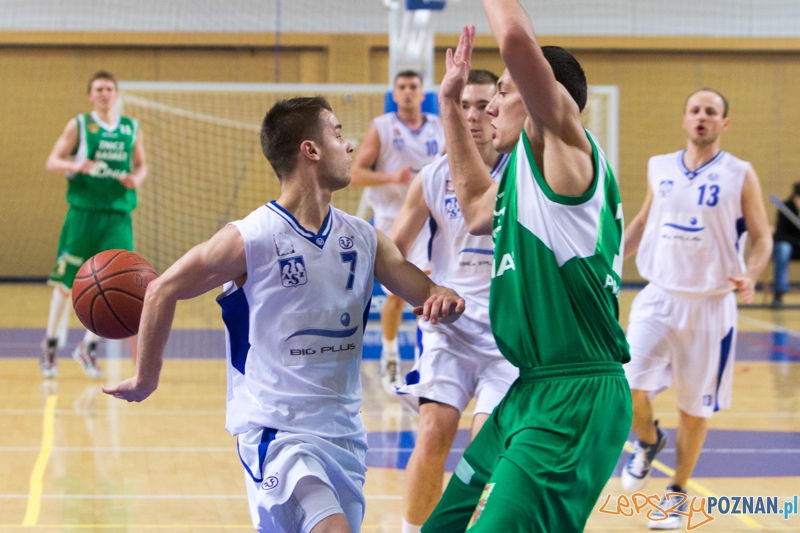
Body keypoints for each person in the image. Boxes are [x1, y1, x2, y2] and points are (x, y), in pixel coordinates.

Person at [102, 96, 465, 533]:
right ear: (309, 150)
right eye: (337, 133)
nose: (350, 146)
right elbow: (162, 289)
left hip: (343, 433)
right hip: (275, 431)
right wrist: (146, 378)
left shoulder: (366, 239)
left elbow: (423, 292)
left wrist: (443, 295)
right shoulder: (250, 238)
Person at [423, 11, 632, 532]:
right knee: (441, 526)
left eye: (502, 90)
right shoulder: (521, 173)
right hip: (531, 389)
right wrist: (449, 104)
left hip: (574, 397)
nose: (490, 106)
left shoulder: (566, 149)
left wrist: (517, 58)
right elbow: (472, 209)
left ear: (543, 96)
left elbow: (515, 35)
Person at [621, 88, 772, 529]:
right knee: (625, 388)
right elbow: (643, 221)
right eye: (695, 110)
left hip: (710, 307)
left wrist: (753, 273)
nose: (702, 116)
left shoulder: (740, 173)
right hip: (658, 297)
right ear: (684, 119)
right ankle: (648, 441)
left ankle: (676, 494)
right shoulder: (659, 167)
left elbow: (762, 237)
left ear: (723, 124)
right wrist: (609, 262)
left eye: (711, 111)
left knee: (695, 408)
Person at [389, 69, 519, 533]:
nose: (473, 115)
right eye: (463, 105)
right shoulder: (433, 176)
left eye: (484, 105)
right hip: (450, 330)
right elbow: (390, 255)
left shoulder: (527, 172)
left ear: (500, 109)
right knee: (432, 433)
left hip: (510, 337)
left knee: (488, 445)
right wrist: (419, 289)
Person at [42, 70, 147, 379]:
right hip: (84, 215)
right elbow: (52, 161)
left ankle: (87, 348)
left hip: (117, 217)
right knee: (64, 285)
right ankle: (50, 346)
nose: (104, 93)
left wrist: (135, 179)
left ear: (116, 94)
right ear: (91, 96)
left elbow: (141, 165)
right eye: (99, 89)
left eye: (109, 89)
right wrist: (77, 165)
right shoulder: (80, 125)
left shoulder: (131, 128)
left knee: (117, 286)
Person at [351, 70, 445, 394]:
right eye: (401, 87)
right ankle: (389, 356)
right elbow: (355, 174)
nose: (407, 92)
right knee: (394, 301)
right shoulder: (382, 127)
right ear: (395, 94)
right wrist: (392, 177)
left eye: (413, 87)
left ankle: (424, 364)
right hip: (392, 221)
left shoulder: (439, 127)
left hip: (428, 221)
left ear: (422, 94)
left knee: (427, 292)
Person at [770, 182, 800, 307]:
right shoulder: (785, 209)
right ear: (795, 197)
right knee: (783, 249)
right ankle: (778, 294)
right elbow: (779, 235)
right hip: (789, 246)